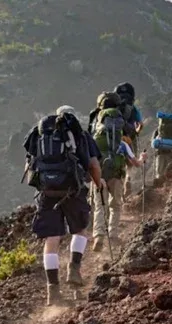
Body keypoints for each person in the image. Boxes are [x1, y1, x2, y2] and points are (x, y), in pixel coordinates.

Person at [24, 106, 103, 306]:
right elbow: (93, 165)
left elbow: (29, 165)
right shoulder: (80, 135)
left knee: (51, 240)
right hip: (73, 190)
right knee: (80, 231)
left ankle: (53, 291)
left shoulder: (39, 135)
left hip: (46, 193)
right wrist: (98, 183)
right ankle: (74, 269)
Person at [90, 92, 146, 252]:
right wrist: (142, 158)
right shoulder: (122, 142)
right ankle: (113, 235)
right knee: (115, 205)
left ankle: (99, 235)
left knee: (100, 206)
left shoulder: (95, 139)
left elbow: (89, 159)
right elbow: (135, 163)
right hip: (117, 174)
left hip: (99, 175)